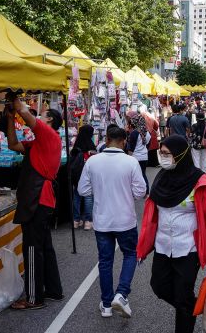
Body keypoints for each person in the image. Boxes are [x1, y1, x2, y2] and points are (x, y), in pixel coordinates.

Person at [137, 135, 206, 333]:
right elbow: (150, 216)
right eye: (161, 153)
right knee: (159, 286)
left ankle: (186, 312)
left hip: (188, 248)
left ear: (181, 154)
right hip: (163, 245)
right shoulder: (161, 178)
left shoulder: (201, 182)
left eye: (167, 154)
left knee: (183, 295)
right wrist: (142, 246)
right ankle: (191, 307)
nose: (162, 158)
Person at [78, 125, 147, 319]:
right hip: (125, 218)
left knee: (105, 260)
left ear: (106, 139)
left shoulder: (92, 161)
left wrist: (100, 191)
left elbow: (83, 190)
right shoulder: (131, 162)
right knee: (130, 254)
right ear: (124, 141)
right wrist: (127, 195)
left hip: (102, 220)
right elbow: (140, 191)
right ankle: (122, 294)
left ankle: (107, 304)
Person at [7, 99, 63, 310]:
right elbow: (13, 144)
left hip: (37, 199)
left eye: (43, 113)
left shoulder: (49, 135)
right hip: (40, 199)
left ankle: (33, 298)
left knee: (32, 248)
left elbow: (24, 111)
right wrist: (11, 119)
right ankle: (53, 290)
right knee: (44, 247)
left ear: (49, 120)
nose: (39, 115)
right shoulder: (39, 141)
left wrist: (15, 100)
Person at [70, 125, 96, 230]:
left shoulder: (76, 145)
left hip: (76, 176)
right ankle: (88, 222)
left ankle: (76, 220)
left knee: (76, 196)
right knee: (88, 197)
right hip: (87, 175)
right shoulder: (90, 145)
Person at [127, 114, 152, 195]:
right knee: (143, 174)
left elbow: (131, 148)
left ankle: (135, 192)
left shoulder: (134, 133)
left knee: (134, 176)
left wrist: (128, 157)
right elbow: (148, 145)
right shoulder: (147, 133)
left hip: (136, 157)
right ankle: (146, 192)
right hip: (144, 156)